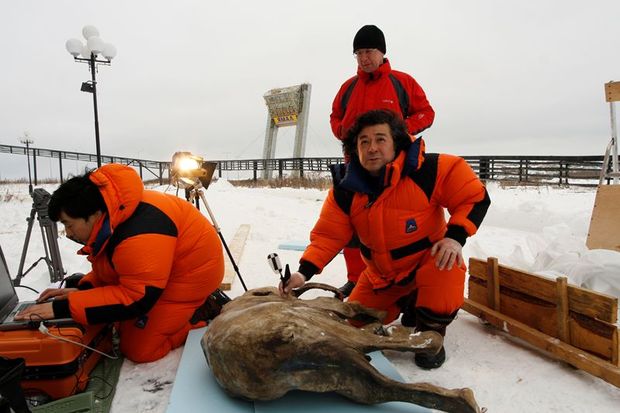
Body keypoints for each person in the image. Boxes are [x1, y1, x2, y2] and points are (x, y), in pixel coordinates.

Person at [280, 109, 490, 369]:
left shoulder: (430, 170)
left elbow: (473, 196)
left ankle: (430, 335)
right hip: (381, 277)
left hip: (427, 263)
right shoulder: (345, 191)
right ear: (354, 149)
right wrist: (303, 273)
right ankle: (407, 301)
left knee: (446, 264)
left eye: (380, 139)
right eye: (364, 142)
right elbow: (327, 236)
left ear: (396, 143)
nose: (372, 148)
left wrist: (455, 237)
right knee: (353, 325)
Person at [15, 163, 225, 363]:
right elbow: (115, 268)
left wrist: (63, 308)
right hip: (160, 274)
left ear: (93, 214)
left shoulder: (141, 231)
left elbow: (136, 297)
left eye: (69, 225)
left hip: (190, 279)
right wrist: (83, 290)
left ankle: (200, 313)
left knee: (140, 349)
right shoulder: (114, 214)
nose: (68, 233)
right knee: (114, 318)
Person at [330, 24, 436, 297]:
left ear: (382, 52)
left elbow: (427, 112)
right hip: (357, 167)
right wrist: (343, 132)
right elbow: (335, 118)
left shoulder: (403, 82)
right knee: (354, 226)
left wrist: (404, 129)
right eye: (358, 53)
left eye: (369, 51)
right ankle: (356, 280)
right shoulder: (348, 88)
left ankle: (409, 284)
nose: (364, 58)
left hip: (396, 168)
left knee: (399, 225)